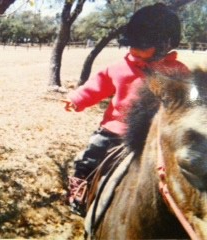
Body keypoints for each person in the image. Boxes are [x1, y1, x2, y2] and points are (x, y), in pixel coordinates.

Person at [63, 3, 190, 216]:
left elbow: (189, 100)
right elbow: (97, 85)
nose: (135, 55)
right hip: (115, 130)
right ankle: (79, 191)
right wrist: (77, 98)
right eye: (132, 48)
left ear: (164, 46)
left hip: (157, 135)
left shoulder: (177, 72)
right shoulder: (118, 68)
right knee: (89, 156)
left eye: (143, 51)